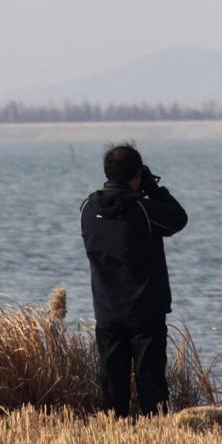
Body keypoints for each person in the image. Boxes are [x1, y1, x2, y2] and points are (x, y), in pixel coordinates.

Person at [80, 144, 188, 416]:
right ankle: (156, 435)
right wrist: (153, 188)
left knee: (111, 386)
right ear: (138, 173)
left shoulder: (88, 210)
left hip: (107, 311)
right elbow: (178, 218)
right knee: (151, 383)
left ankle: (113, 436)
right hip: (145, 312)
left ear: (107, 173)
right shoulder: (143, 209)